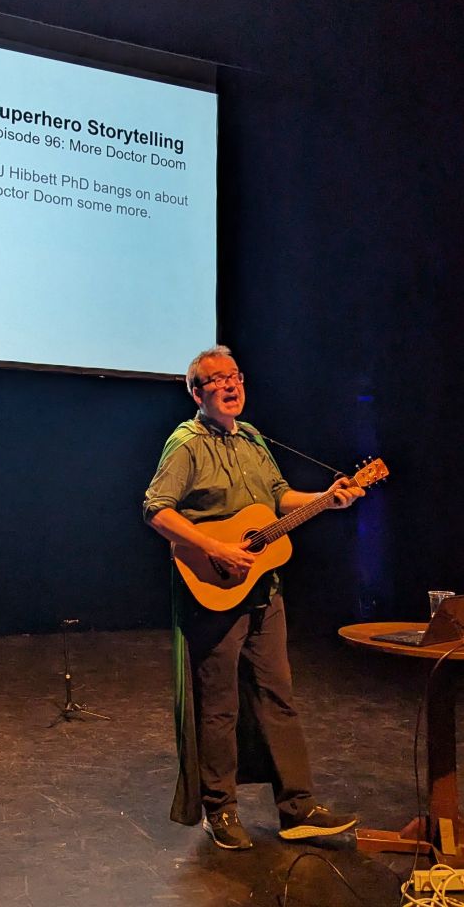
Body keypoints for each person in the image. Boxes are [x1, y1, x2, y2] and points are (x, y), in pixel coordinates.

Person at [143, 345, 364, 850]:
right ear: (197, 393)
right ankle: (219, 810)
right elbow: (157, 510)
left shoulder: (254, 439)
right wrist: (215, 546)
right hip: (212, 589)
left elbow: (278, 497)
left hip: (265, 590)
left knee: (277, 697)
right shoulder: (186, 443)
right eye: (216, 379)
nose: (230, 384)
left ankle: (298, 808)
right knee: (219, 704)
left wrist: (329, 497)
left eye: (235, 376)